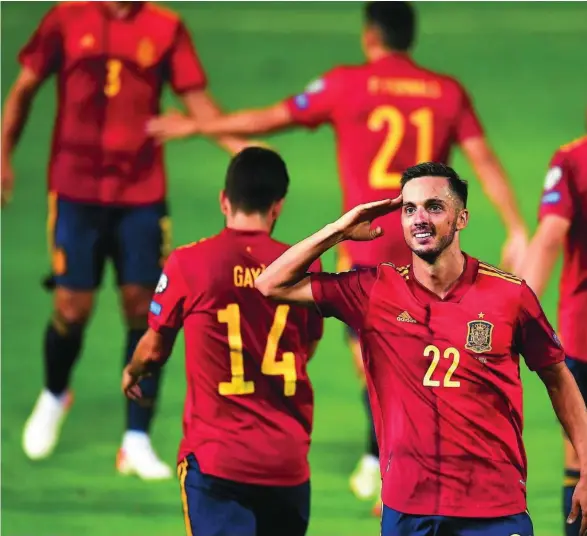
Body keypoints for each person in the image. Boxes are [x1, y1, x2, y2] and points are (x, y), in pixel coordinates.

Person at [147, 1, 529, 505]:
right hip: (427, 243)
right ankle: (394, 463)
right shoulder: (446, 91)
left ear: (369, 37)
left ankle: (394, 466)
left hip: (368, 244)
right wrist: (517, 225)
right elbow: (483, 160)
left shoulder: (346, 84)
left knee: (378, 361)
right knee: (419, 360)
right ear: (408, 38)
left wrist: (197, 127)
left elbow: (272, 118)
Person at [253, 161, 587, 535]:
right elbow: (271, 284)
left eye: (434, 206)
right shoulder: (374, 291)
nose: (419, 218)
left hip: (495, 508)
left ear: (461, 219)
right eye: (409, 209)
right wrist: (339, 230)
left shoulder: (510, 295)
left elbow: (558, 378)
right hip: (409, 510)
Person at [1, 1, 252, 478]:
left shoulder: (165, 27)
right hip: (75, 193)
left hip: (141, 196)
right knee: (71, 309)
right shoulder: (65, 18)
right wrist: (4, 153)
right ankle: (56, 394)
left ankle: (135, 440)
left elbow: (200, 103)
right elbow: (25, 88)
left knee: (145, 309)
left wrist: (241, 144)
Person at [122, 147, 323, 536]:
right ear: (277, 206)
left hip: (219, 462)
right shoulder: (302, 266)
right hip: (287, 463)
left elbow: (154, 349)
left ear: (224, 200)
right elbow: (305, 349)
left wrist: (133, 371)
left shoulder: (190, 263)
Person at [523, 134, 587, 536]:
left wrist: (509, 312)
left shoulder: (573, 158)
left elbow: (549, 238)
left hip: (583, 334)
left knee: (580, 456)